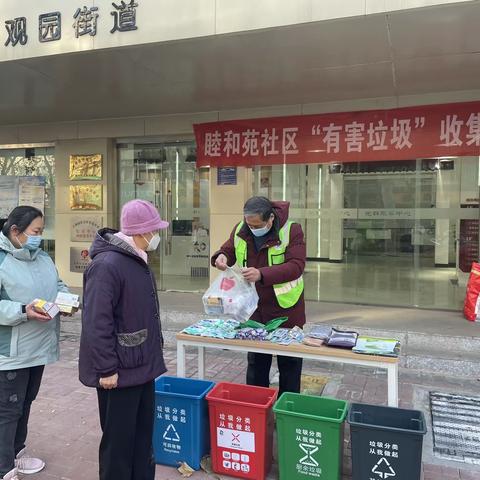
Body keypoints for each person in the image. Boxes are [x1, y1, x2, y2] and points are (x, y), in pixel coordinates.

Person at [79, 199, 168, 480]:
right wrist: (106, 368)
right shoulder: (107, 265)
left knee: (142, 437)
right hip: (118, 371)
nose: (156, 237)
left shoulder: (136, 258)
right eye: (153, 230)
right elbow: (96, 321)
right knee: (119, 443)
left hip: (142, 364)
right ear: (140, 232)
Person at [0, 206, 70, 480]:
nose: (39, 237)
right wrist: (20, 310)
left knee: (26, 402)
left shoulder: (42, 258)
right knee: (8, 409)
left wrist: (67, 301)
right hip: (11, 351)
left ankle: (16, 452)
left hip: (39, 347)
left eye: (41, 232)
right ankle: (4, 468)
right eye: (35, 232)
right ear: (15, 231)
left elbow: (59, 284)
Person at [212, 196, 306, 397]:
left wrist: (262, 274)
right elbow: (229, 248)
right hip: (254, 307)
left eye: (258, 225)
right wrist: (221, 256)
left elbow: (296, 266)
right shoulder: (241, 228)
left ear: (271, 218)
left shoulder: (292, 230)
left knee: (289, 364)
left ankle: (285, 411)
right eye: (249, 223)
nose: (253, 228)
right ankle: (257, 408)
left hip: (286, 309)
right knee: (256, 363)